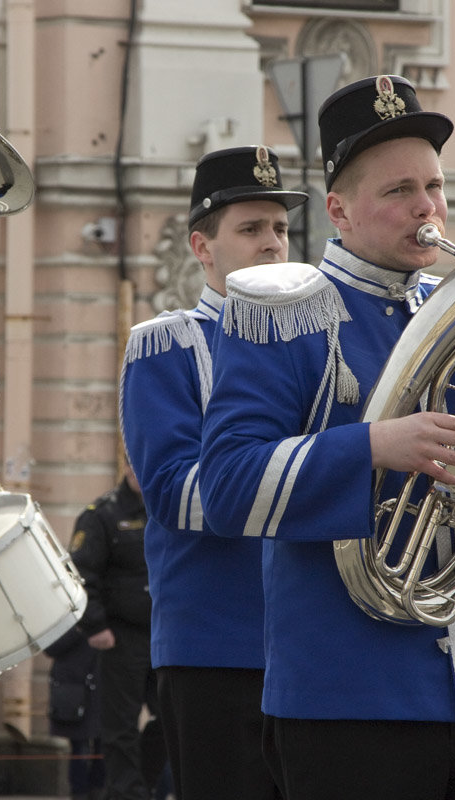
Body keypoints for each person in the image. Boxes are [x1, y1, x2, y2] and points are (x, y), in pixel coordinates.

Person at [198, 74, 455, 799]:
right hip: (348, 704)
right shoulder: (282, 314)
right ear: (339, 210)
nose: (427, 208)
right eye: (399, 190)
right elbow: (226, 489)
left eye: (433, 186)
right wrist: (372, 447)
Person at [119, 144, 304, 800]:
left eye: (280, 228)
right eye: (250, 230)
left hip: (317, 643)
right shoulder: (166, 345)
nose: (273, 244)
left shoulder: (318, 341)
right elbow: (171, 492)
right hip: (216, 645)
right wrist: (313, 483)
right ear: (203, 247)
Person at [68, 464, 165, 800]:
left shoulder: (165, 507)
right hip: (120, 636)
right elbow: (80, 573)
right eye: (134, 464)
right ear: (126, 466)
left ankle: (140, 784)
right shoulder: (102, 514)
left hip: (163, 635)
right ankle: (128, 793)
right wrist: (94, 625)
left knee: (170, 718)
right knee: (120, 727)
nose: (140, 471)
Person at [44, 626, 105, 800]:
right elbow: (51, 648)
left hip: (102, 687)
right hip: (73, 692)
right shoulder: (68, 613)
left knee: (105, 747)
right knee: (79, 748)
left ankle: (99, 791)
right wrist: (81, 626)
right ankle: (80, 793)